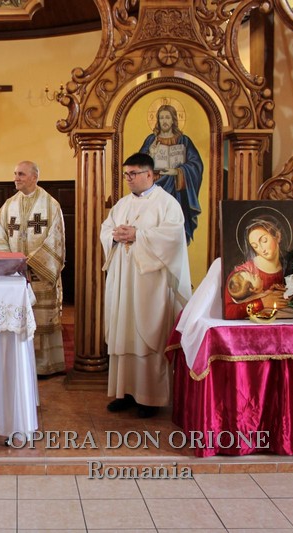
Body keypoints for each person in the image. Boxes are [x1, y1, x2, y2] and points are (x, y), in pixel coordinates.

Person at [99, 152, 191, 418]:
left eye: (133, 174)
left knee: (147, 336)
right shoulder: (122, 204)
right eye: (126, 174)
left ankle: (150, 398)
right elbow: (106, 229)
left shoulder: (167, 204)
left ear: (150, 174)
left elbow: (173, 238)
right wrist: (114, 236)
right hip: (123, 279)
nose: (128, 179)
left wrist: (138, 235)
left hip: (150, 282)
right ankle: (124, 392)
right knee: (123, 331)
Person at [0, 161, 66, 376]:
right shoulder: (8, 206)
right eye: (15, 173)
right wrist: (11, 262)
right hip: (16, 274)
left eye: (21, 174)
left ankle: (45, 365)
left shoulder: (50, 205)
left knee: (42, 317)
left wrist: (32, 262)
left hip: (41, 272)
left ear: (34, 177)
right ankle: (20, 364)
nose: (16, 178)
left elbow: (57, 238)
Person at [139, 104, 204, 244]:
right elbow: (138, 166)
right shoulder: (151, 140)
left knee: (173, 226)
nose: (164, 121)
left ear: (173, 119)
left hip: (176, 191)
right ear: (157, 120)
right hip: (154, 189)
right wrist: (151, 153)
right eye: (161, 117)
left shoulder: (184, 140)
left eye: (167, 117)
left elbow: (196, 165)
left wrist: (177, 171)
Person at [223, 216, 292, 319]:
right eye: (255, 246)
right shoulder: (242, 274)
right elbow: (228, 311)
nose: (261, 249)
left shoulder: (292, 266)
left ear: (277, 236)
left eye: (264, 240)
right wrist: (262, 303)